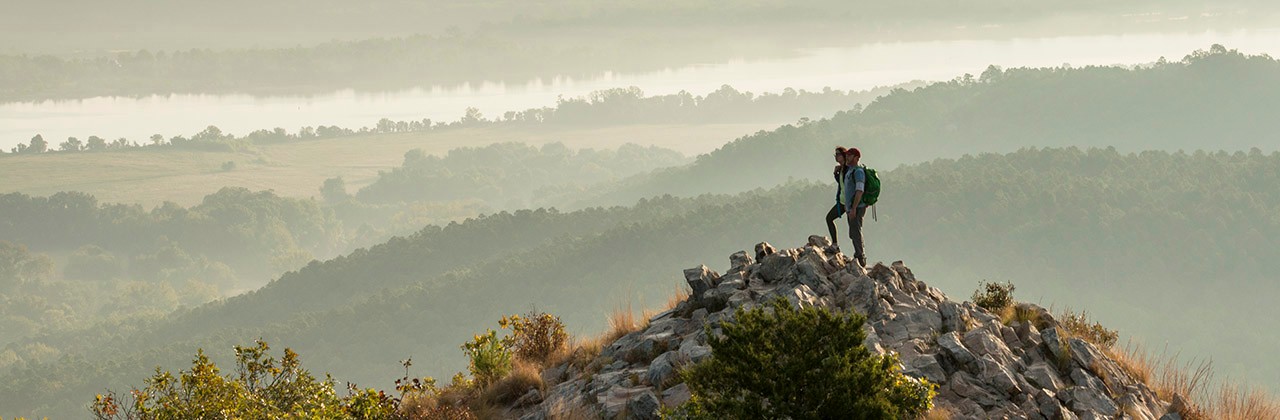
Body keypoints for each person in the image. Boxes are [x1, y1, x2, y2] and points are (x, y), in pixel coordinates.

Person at [843, 147, 868, 267]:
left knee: (856, 231)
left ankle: (860, 257)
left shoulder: (858, 172)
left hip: (857, 207)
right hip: (851, 207)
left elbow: (859, 190)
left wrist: (853, 208)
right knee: (852, 232)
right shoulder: (850, 170)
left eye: (850, 155)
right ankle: (858, 254)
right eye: (847, 155)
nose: (847, 157)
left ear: (857, 158)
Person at [824, 147, 849, 253]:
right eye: (835, 154)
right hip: (842, 202)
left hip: (849, 203)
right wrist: (836, 174)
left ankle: (860, 256)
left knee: (853, 231)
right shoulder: (843, 168)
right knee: (829, 218)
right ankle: (835, 245)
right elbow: (841, 183)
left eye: (838, 154)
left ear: (844, 155)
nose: (836, 156)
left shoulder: (848, 169)